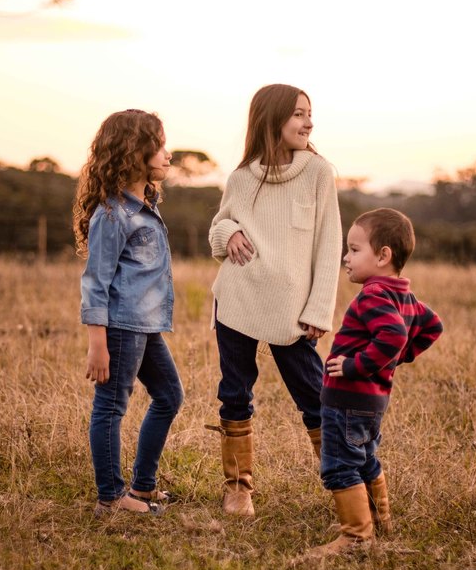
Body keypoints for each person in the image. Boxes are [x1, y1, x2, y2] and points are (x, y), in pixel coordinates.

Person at [206, 84, 342, 517]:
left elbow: (329, 242)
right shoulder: (242, 178)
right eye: (299, 114)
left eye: (310, 114)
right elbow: (217, 231)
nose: (309, 122)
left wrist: (319, 308)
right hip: (238, 299)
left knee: (316, 396)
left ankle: (347, 483)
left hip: (291, 310)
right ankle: (238, 488)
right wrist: (230, 233)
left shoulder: (318, 172)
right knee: (235, 393)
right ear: (272, 119)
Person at [304, 208, 443, 557]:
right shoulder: (404, 295)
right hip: (371, 402)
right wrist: (399, 357)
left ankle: (355, 536)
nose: (345, 258)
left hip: (348, 398)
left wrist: (357, 366)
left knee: (339, 465)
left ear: (383, 256)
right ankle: (380, 523)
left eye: (354, 249)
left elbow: (393, 335)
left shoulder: (373, 294)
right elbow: (432, 325)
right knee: (365, 459)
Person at [74, 109, 184, 517]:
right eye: (158, 144)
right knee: (110, 408)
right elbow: (95, 281)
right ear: (133, 150)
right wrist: (97, 344)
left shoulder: (144, 207)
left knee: (170, 397)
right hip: (120, 327)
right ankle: (111, 498)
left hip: (144, 325)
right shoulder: (113, 214)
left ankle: (142, 486)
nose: (167, 154)